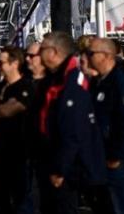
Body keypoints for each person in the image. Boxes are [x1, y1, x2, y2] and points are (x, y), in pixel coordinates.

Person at [36, 31, 111, 214]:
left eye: (42, 50)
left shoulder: (72, 82)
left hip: (71, 169)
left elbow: (73, 130)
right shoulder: (54, 79)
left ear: (53, 52)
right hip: (53, 161)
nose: (38, 55)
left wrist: (60, 169)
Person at [87, 38, 124, 214]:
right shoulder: (98, 82)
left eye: (91, 53)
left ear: (107, 56)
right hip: (100, 157)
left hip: (114, 160)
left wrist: (116, 157)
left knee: (119, 205)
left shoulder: (120, 83)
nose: (88, 57)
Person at [0, 46, 34, 214]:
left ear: (14, 63)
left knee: (21, 200)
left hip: (18, 152)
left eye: (1, 63)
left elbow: (5, 111)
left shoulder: (25, 86)